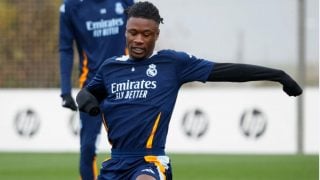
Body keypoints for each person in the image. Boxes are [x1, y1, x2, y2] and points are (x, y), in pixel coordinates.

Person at [76, 1, 303, 180]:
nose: (138, 40)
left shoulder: (172, 64)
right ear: (125, 32)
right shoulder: (110, 68)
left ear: (156, 35)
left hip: (149, 161)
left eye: (146, 34)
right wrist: (87, 101)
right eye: (132, 32)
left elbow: (225, 71)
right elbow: (87, 93)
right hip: (115, 163)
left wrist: (277, 75)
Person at [58, 0, 136, 179]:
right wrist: (65, 90)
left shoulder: (125, 2)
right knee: (87, 148)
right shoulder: (70, 7)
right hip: (91, 88)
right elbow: (65, 49)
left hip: (124, 84)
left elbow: (139, 34)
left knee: (130, 146)